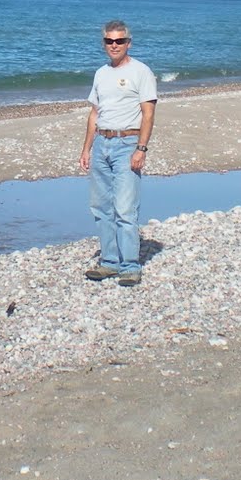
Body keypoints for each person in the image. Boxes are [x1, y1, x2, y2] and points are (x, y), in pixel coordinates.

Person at [80, 20, 157, 287]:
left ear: (128, 43)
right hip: (102, 142)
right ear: (103, 43)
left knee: (125, 208)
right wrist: (87, 148)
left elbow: (148, 113)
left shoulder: (141, 71)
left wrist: (141, 149)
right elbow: (94, 113)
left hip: (128, 142)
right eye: (109, 41)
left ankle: (130, 266)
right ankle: (109, 262)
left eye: (119, 41)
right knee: (100, 206)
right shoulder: (101, 73)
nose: (114, 45)